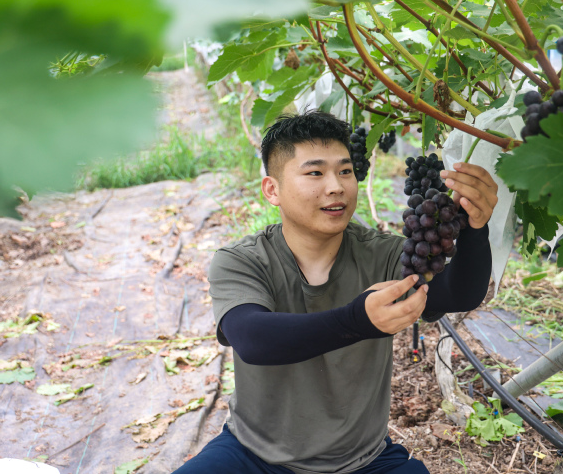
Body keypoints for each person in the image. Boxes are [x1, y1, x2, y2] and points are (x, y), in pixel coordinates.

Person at [175, 110, 497, 474]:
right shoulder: (241, 260)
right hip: (254, 455)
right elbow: (253, 339)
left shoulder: (384, 254)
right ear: (272, 190)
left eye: (345, 171)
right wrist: (358, 320)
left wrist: (476, 229)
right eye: (315, 173)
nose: (336, 186)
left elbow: (456, 294)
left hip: (363, 462)